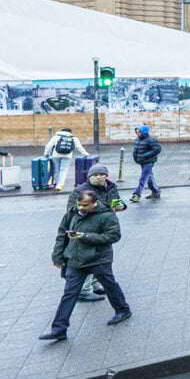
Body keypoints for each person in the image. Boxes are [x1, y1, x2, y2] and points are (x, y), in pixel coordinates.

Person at [39, 190, 132, 341]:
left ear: (95, 203)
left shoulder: (107, 215)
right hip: (75, 259)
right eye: (79, 204)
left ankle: (123, 309)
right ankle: (59, 329)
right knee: (69, 294)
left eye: (85, 205)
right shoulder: (72, 213)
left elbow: (113, 236)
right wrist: (57, 255)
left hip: (98, 259)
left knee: (109, 285)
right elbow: (62, 234)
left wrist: (85, 236)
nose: (81, 208)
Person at [66, 164, 126, 302]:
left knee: (100, 258)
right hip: (87, 229)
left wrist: (121, 206)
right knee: (88, 259)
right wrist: (92, 209)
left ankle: (94, 284)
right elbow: (71, 210)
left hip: (105, 228)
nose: (99, 177)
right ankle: (83, 290)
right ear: (89, 177)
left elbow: (117, 202)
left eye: (102, 174)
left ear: (106, 176)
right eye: (95, 175)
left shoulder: (111, 187)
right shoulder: (80, 191)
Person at [130, 125, 161, 203]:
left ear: (144, 132)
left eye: (139, 132)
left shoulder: (151, 140)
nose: (138, 133)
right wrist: (136, 159)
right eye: (137, 132)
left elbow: (157, 149)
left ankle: (137, 194)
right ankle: (156, 191)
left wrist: (144, 155)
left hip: (148, 161)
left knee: (143, 178)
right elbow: (135, 150)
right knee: (149, 177)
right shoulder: (137, 140)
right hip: (142, 161)